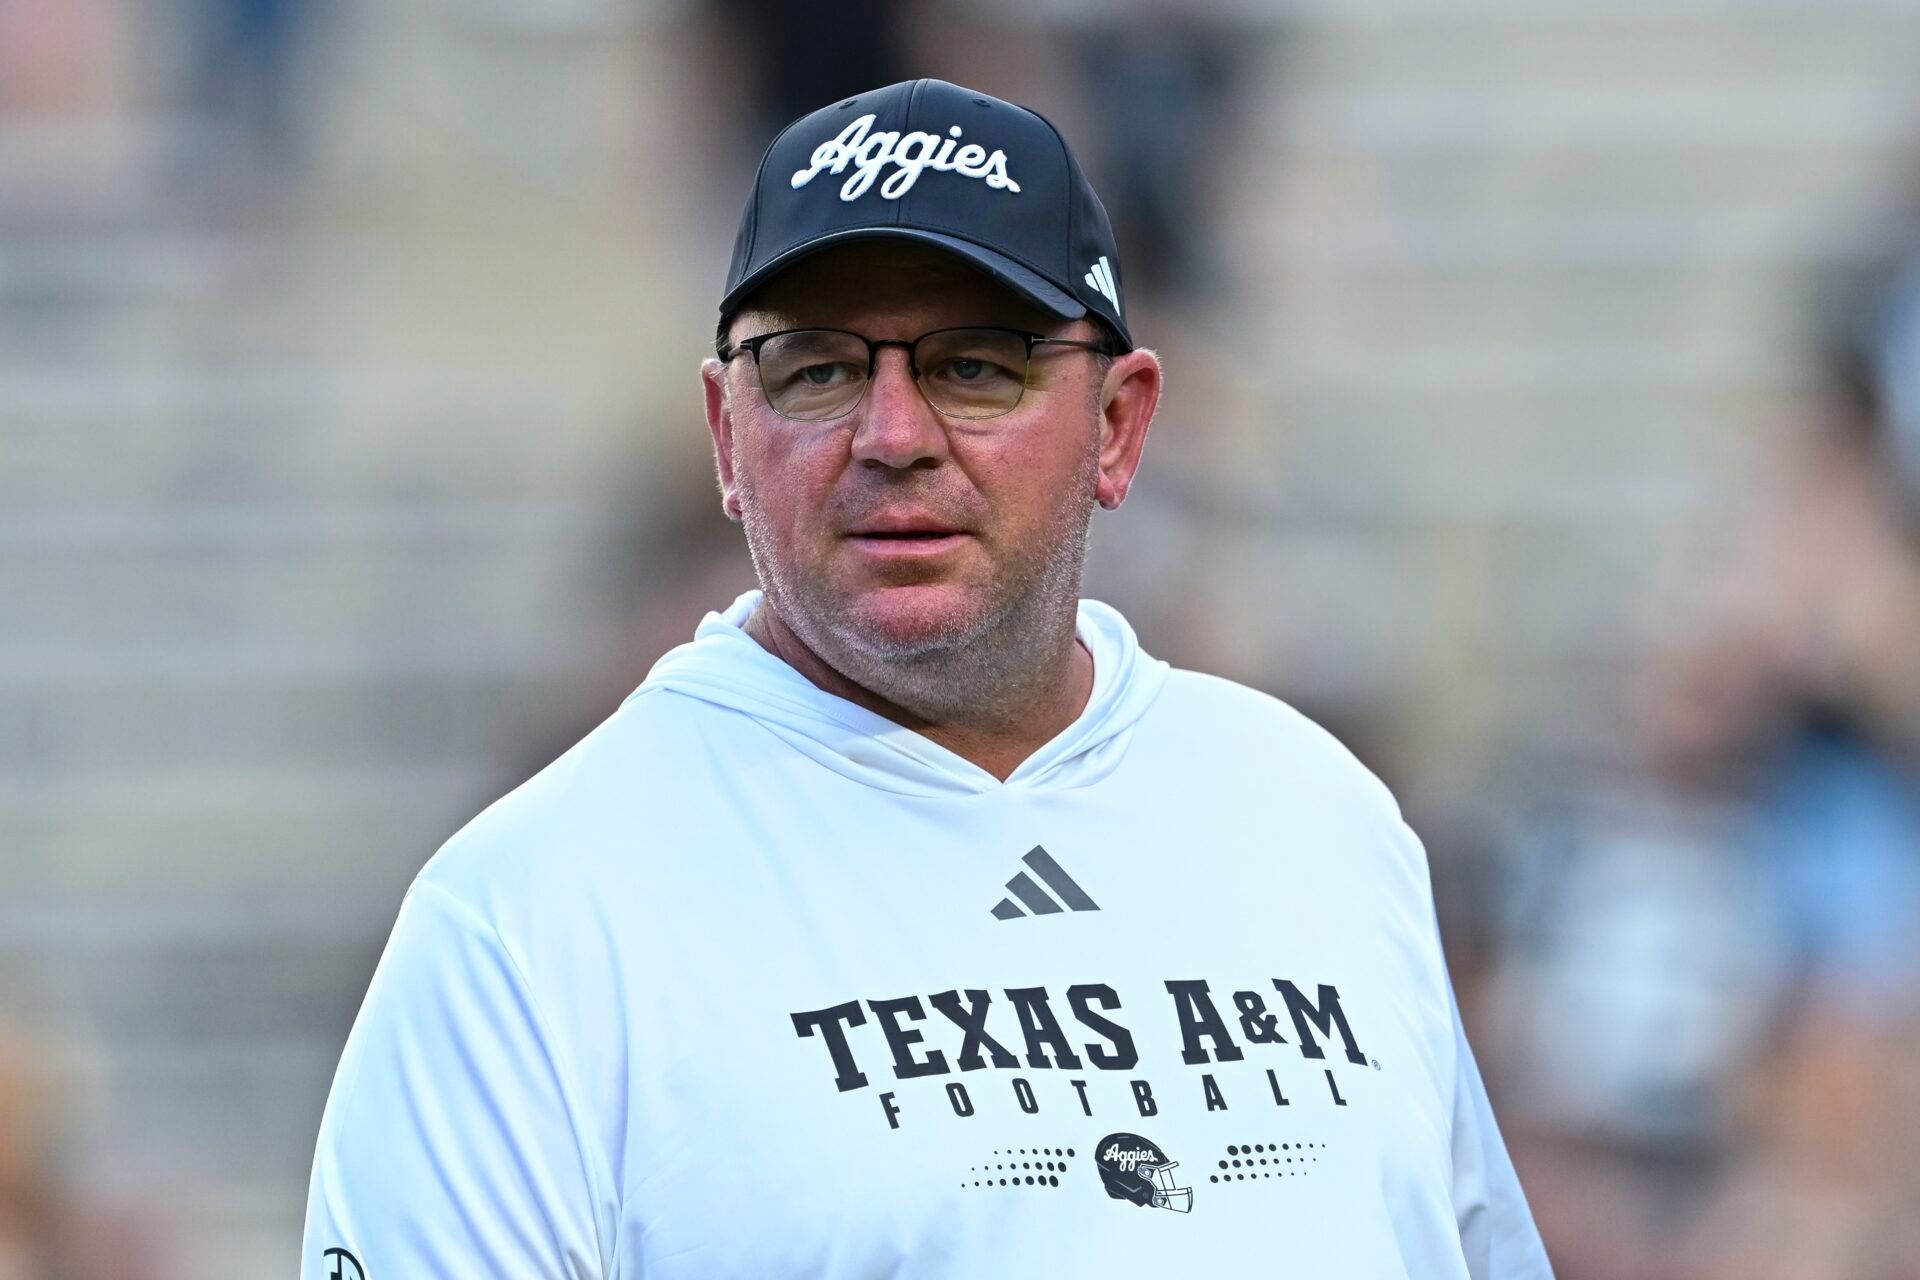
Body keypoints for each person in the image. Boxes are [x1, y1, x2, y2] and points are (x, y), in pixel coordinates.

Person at [299, 78, 1553, 1278]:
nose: (892, 436)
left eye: (973, 365)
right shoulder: (530, 918)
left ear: (1119, 425)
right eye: (819, 369)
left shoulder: (1316, 817)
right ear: (726, 434)